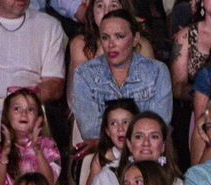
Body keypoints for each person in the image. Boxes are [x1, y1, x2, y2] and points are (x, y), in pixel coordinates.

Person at [69, 11, 172, 141]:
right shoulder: (84, 74)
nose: (111, 45)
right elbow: (90, 131)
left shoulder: (157, 72)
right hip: (103, 151)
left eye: (119, 36)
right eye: (105, 37)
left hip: (145, 151)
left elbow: (158, 127)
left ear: (135, 39)